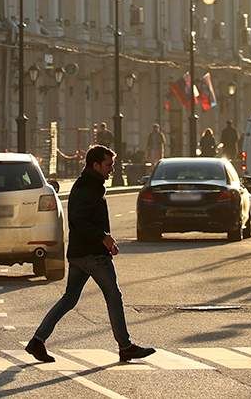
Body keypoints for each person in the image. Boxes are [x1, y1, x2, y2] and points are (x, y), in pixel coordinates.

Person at [26, 145, 155, 364]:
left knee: (69, 299)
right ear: (95, 165)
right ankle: (125, 347)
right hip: (92, 255)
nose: (111, 170)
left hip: (80, 253)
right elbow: (79, 220)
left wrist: (105, 238)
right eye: (108, 165)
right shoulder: (89, 187)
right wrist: (103, 237)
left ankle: (37, 341)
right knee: (113, 296)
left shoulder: (88, 184)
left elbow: (83, 221)